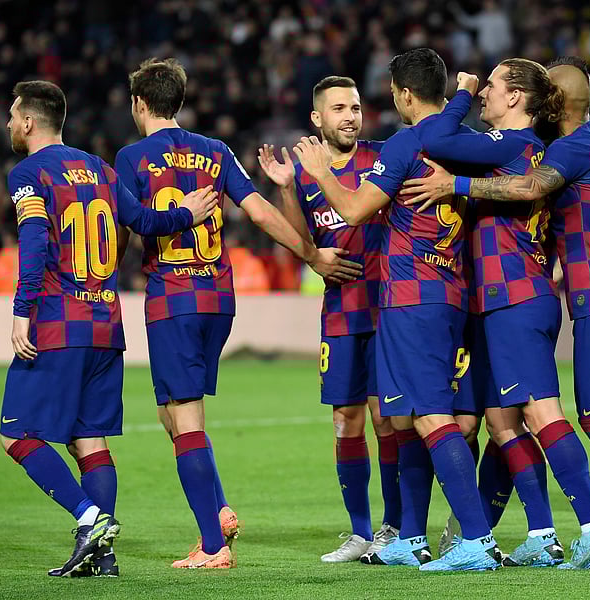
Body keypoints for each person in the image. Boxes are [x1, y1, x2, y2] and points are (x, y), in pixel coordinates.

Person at [401, 56, 590, 568]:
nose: (484, 92)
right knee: (515, 420)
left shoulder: (549, 148)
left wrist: (454, 181)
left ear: (546, 98)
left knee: (589, 420)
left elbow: (519, 182)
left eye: (492, 85)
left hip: (571, 295)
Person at [115, 58, 360, 569]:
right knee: (170, 412)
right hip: (218, 299)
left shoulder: (132, 156)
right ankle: (220, 510)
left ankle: (212, 546)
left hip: (173, 299)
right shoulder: (215, 150)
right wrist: (309, 254)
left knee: (186, 418)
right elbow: (261, 212)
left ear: (139, 104)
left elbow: (131, 222)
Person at [293, 47, 502, 572]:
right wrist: (464, 93)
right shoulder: (463, 141)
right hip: (451, 290)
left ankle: (476, 539)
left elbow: (352, 209)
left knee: (430, 417)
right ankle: (409, 536)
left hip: (413, 297)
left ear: (405, 95)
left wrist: (320, 172)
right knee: (405, 417)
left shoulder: (406, 142)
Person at [0, 80, 218, 577]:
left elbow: (34, 243)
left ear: (29, 122)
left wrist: (21, 310)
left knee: (16, 436)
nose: (9, 124)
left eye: (12, 116)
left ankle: (90, 517)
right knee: (89, 440)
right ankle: (103, 558)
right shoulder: (100, 168)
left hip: (58, 324)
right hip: (105, 326)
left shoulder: (28, 174)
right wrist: (186, 213)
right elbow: (143, 220)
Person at [258, 75, 400, 562]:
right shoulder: (302, 173)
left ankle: (394, 529)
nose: (350, 117)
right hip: (340, 312)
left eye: (355, 107)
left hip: (387, 307)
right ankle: (359, 533)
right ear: (317, 118)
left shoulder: (383, 157)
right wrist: (285, 189)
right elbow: (305, 243)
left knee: (386, 419)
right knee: (345, 421)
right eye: (339, 109)